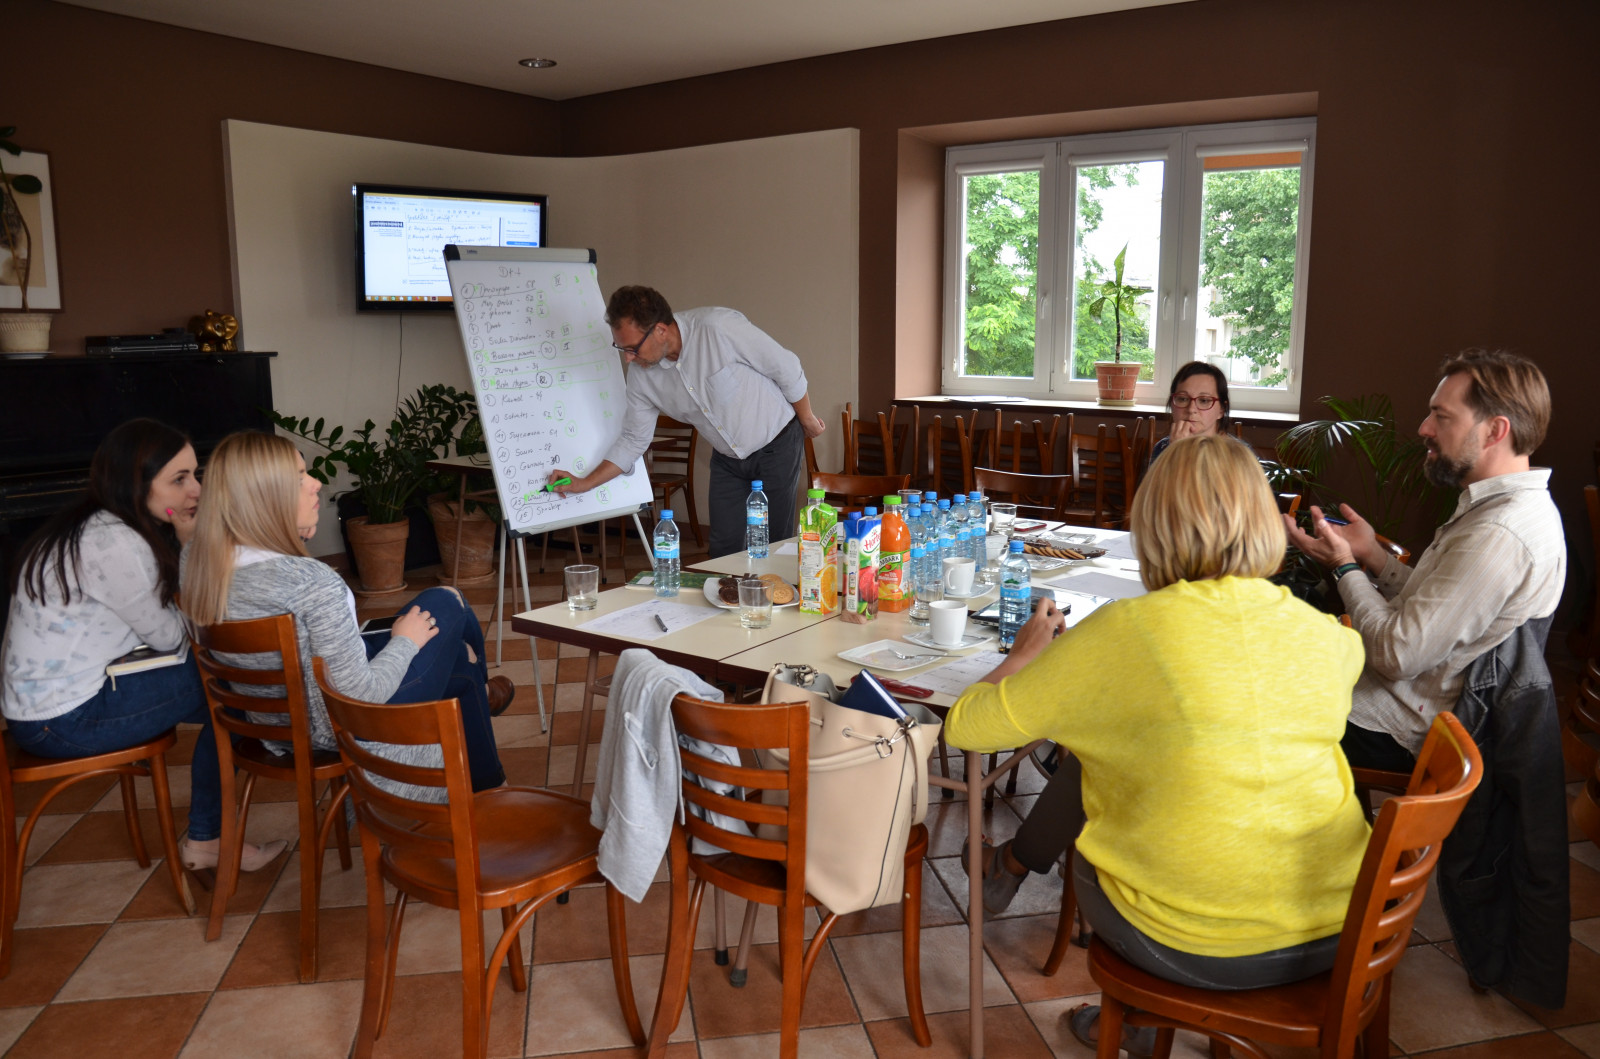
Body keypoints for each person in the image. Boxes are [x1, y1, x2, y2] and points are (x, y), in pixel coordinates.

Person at [946, 434, 1369, 1054]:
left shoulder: (1122, 632)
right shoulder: (1330, 636)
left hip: (1186, 945)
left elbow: (966, 727)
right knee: (1136, 753)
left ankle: (1143, 1015)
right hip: (1341, 929)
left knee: (1104, 782)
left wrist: (1021, 656)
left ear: (1153, 526)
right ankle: (1138, 1015)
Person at [1, 419, 284, 873]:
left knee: (236, 690)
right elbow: (172, 637)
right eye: (179, 479)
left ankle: (215, 828)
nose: (196, 490)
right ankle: (210, 837)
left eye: (195, 475)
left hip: (44, 711)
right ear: (136, 483)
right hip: (64, 720)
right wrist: (189, 547)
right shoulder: (114, 541)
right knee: (236, 685)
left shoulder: (90, 525)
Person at [179, 431, 512, 795]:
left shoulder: (197, 561)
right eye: (300, 477)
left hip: (275, 722)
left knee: (459, 668)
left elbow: (275, 599)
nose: (316, 484)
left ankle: (489, 778)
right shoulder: (314, 584)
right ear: (267, 498)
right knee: (447, 601)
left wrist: (290, 534)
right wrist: (405, 643)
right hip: (344, 724)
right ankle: (483, 701)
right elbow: (363, 697)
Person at [1283, 348, 1565, 771]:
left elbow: (1397, 654)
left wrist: (1344, 566)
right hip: (1395, 697)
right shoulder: (1504, 509)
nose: (1424, 428)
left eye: (1441, 416)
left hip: (1395, 724)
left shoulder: (1499, 533)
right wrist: (1372, 555)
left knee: (1250, 696)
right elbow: (1439, 606)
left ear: (1495, 430)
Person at [546, 285, 827, 558]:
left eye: (633, 348)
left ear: (660, 330)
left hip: (777, 442)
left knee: (774, 542)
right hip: (727, 458)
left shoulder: (717, 328)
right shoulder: (642, 377)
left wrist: (807, 419)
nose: (629, 359)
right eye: (622, 349)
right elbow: (633, 439)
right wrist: (585, 483)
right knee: (723, 548)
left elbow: (786, 367)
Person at [1149, 360, 1236, 461]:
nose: (1191, 409)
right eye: (1183, 399)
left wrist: (1181, 453)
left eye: (1204, 400)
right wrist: (1174, 450)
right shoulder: (1162, 448)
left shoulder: (1239, 455)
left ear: (1221, 410)